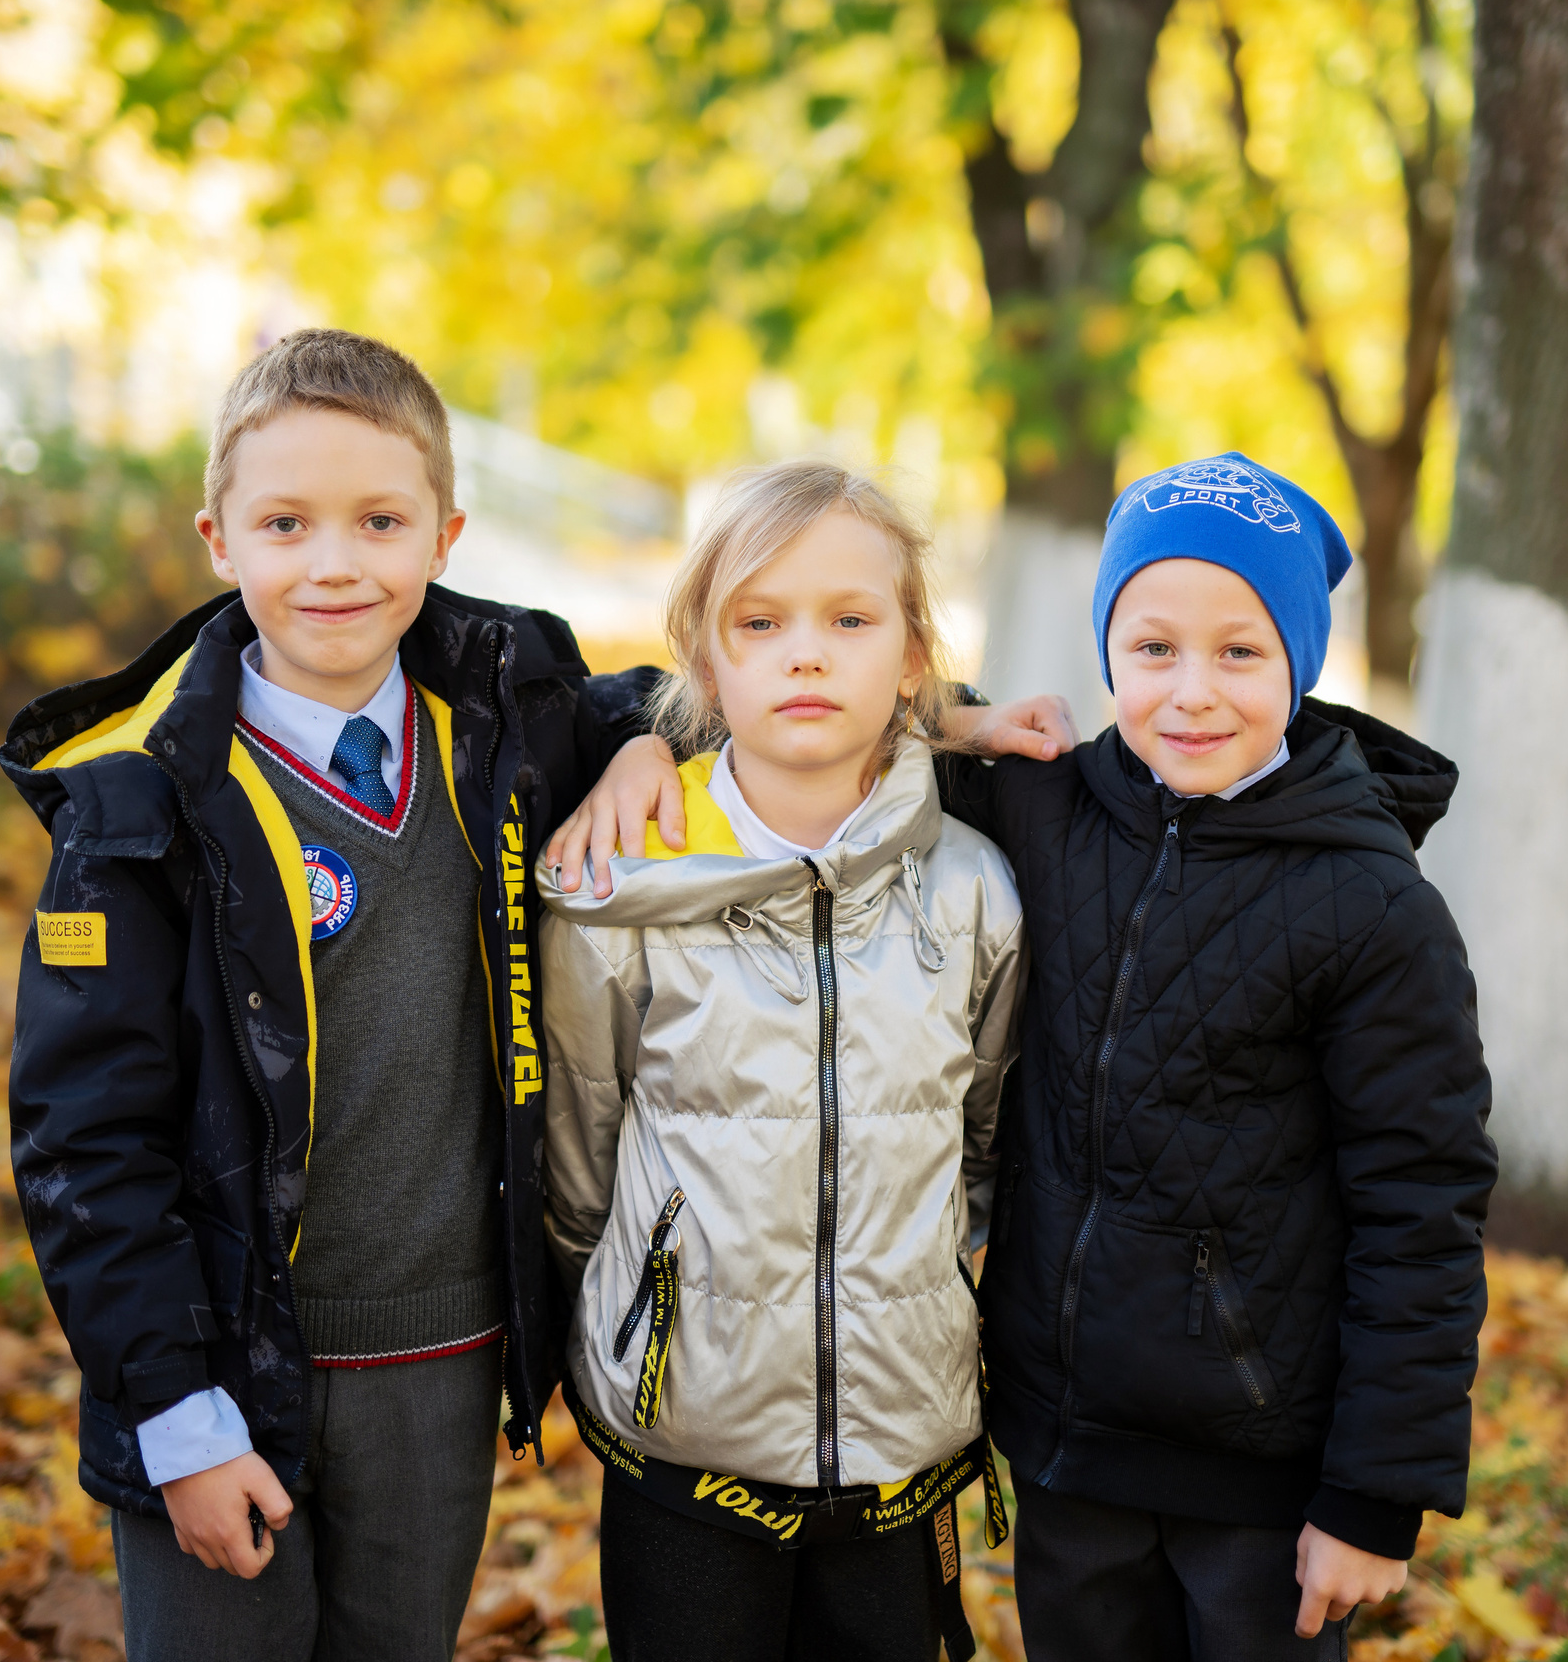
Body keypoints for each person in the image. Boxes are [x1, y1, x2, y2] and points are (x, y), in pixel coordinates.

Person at [551, 452, 1496, 1662]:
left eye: (1242, 653)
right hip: (1061, 1444)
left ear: (1302, 664)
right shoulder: (1051, 810)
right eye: (1152, 649)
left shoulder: (1370, 905)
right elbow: (803, 705)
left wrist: (1376, 1490)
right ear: (1109, 654)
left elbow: (1423, 1203)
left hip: (1263, 1461)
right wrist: (640, 740)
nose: (1192, 691)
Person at [0, 328, 672, 1662]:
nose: (333, 562)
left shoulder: (500, 727)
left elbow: (750, 700)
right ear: (219, 539)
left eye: (379, 520)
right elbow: (87, 1144)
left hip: (440, 1354)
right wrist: (177, 1420)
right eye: (286, 522)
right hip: (225, 1366)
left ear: (444, 532)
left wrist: (653, 741)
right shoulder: (139, 805)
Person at [535, 460, 1027, 1662]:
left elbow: (988, 1140)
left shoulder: (974, 887)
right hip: (680, 1432)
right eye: (760, 623)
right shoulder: (623, 889)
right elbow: (579, 1160)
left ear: (912, 660)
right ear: (708, 665)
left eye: (850, 621)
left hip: (900, 1437)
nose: (805, 655)